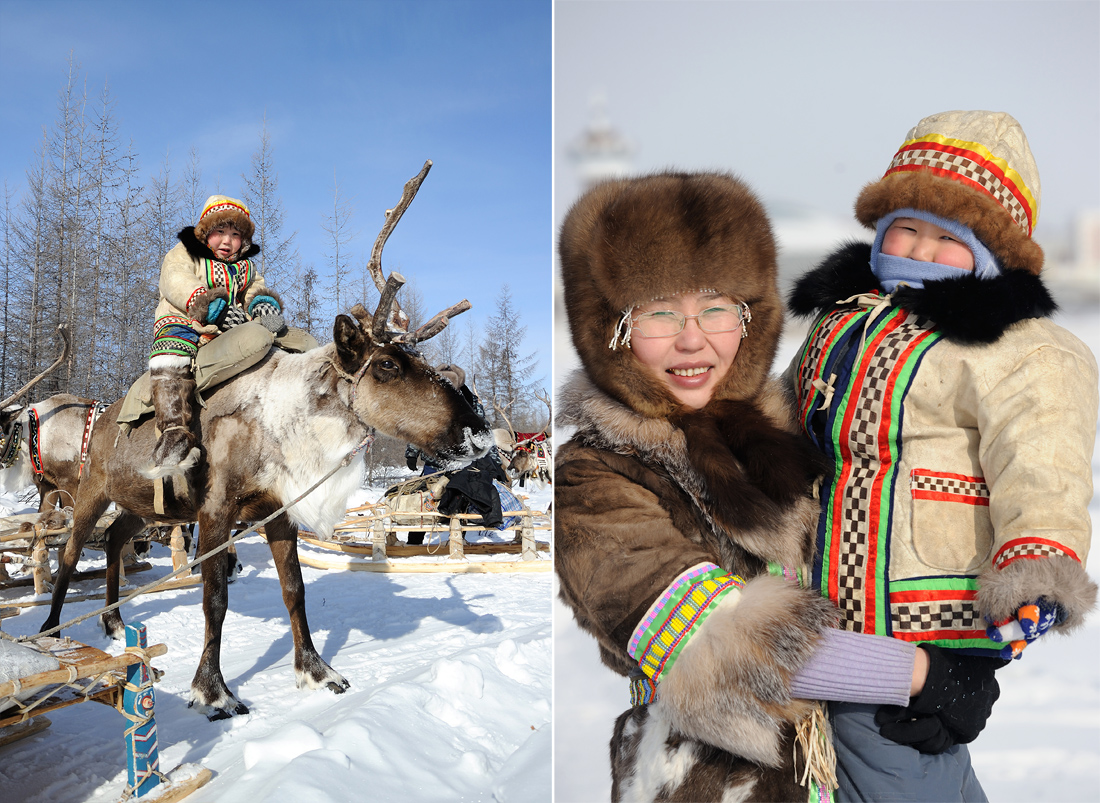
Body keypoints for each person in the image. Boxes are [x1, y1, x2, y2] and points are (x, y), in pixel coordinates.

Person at [785, 110, 1098, 800]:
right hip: (826, 603)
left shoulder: (1015, 348)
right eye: (906, 226)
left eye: (947, 236)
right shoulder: (842, 320)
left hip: (925, 611)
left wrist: (1036, 566)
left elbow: (1042, 463)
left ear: (990, 252)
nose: (921, 248)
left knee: (890, 762)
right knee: (888, 771)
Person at [555, 171, 842, 801]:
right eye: (661, 313)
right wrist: (919, 676)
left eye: (716, 307)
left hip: (835, 772)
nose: (694, 339)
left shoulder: (787, 431)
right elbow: (722, 645)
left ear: (752, 318)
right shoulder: (593, 478)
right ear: (615, 330)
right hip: (697, 780)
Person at [144, 195, 286, 478]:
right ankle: (174, 431)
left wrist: (263, 305)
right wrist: (206, 304)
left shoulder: (246, 268)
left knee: (283, 342)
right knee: (173, 351)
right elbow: (175, 279)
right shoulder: (185, 253)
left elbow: (255, 289)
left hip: (228, 329)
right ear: (205, 233)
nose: (226, 240)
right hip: (185, 319)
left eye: (235, 235)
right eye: (220, 232)